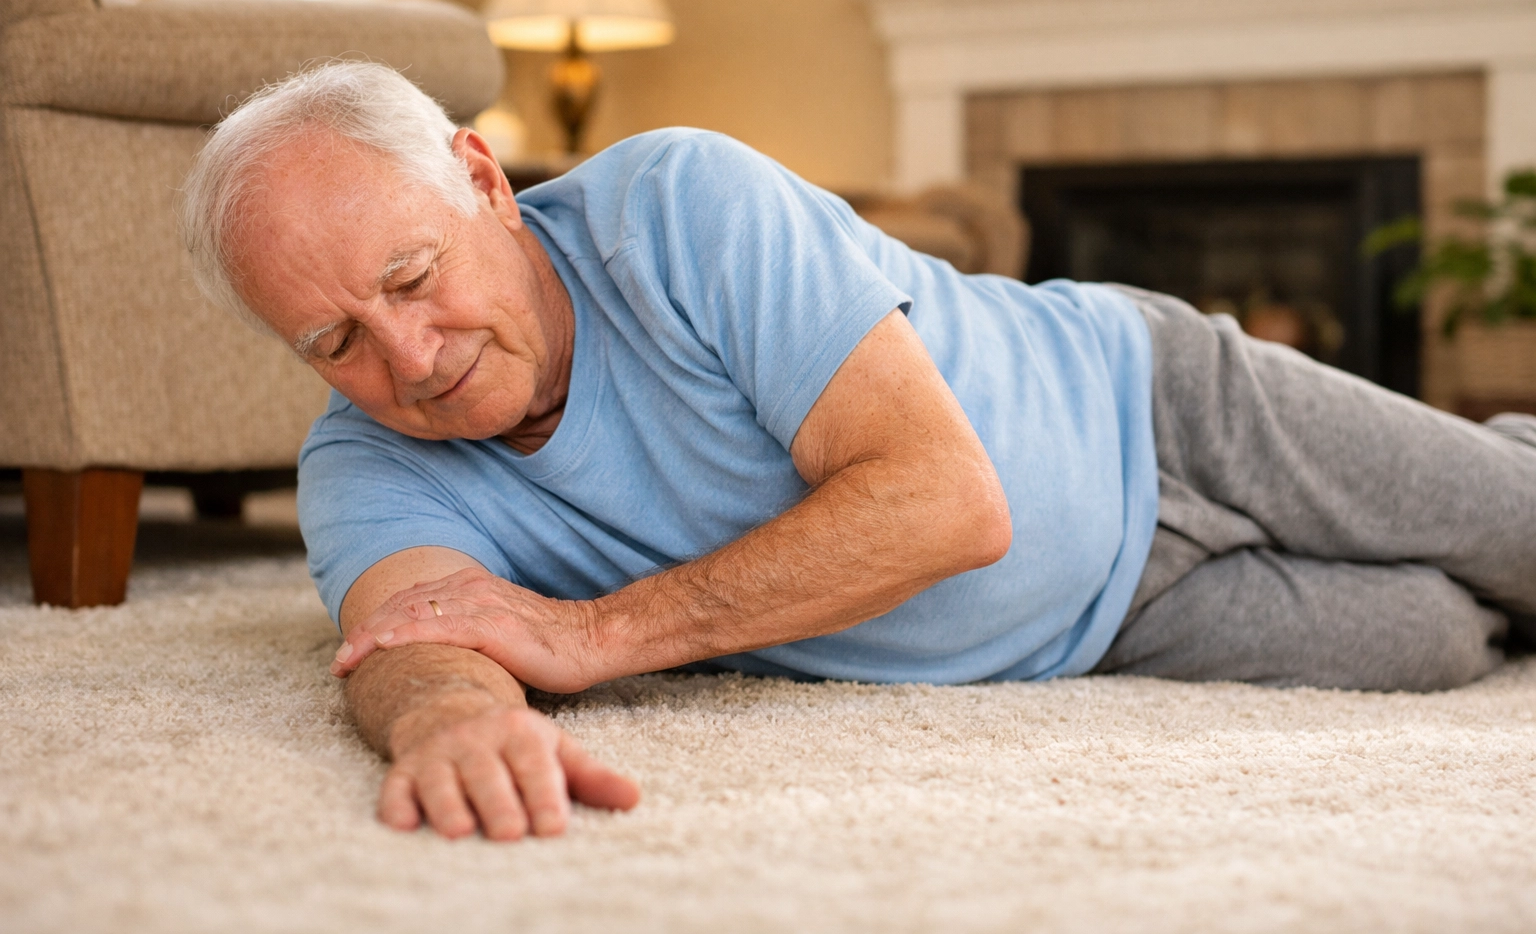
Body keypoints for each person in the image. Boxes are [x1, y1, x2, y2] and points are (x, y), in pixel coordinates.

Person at [180, 63, 1536, 843]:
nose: (405, 360)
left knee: (1519, 524)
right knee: (1439, 638)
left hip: (1155, 402)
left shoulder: (678, 203)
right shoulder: (364, 463)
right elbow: (413, 639)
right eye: (335, 341)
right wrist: (452, 722)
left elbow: (945, 502)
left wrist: (589, 637)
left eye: (410, 278)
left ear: (483, 180)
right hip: (1114, 624)